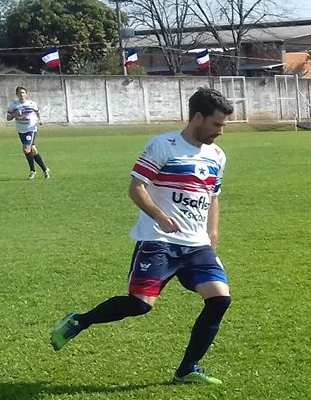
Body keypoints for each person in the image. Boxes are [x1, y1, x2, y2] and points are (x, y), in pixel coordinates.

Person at [49, 88, 235, 384]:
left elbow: (213, 196)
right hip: (158, 240)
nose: (221, 132)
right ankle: (79, 321)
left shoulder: (216, 155)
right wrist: (160, 216)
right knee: (140, 305)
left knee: (220, 300)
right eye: (217, 125)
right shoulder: (163, 146)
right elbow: (136, 188)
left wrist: (213, 234)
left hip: (196, 246)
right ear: (198, 118)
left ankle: (188, 369)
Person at [6, 86, 50, 179]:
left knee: (26, 149)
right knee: (33, 150)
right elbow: (8, 118)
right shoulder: (13, 105)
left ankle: (32, 171)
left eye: (23, 92)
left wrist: (40, 120)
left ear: (26, 94)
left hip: (31, 129)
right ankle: (45, 169)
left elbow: (37, 112)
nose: (21, 94)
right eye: (19, 93)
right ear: (17, 94)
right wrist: (15, 114)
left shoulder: (32, 104)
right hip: (21, 130)